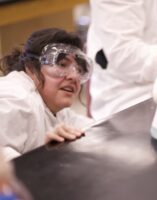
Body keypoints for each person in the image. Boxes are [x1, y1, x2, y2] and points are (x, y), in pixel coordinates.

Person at [0, 28, 94, 160]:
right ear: (31, 67)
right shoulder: (15, 100)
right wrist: (45, 157)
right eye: (62, 65)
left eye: (78, 70)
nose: (74, 76)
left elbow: (95, 130)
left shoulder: (56, 108)